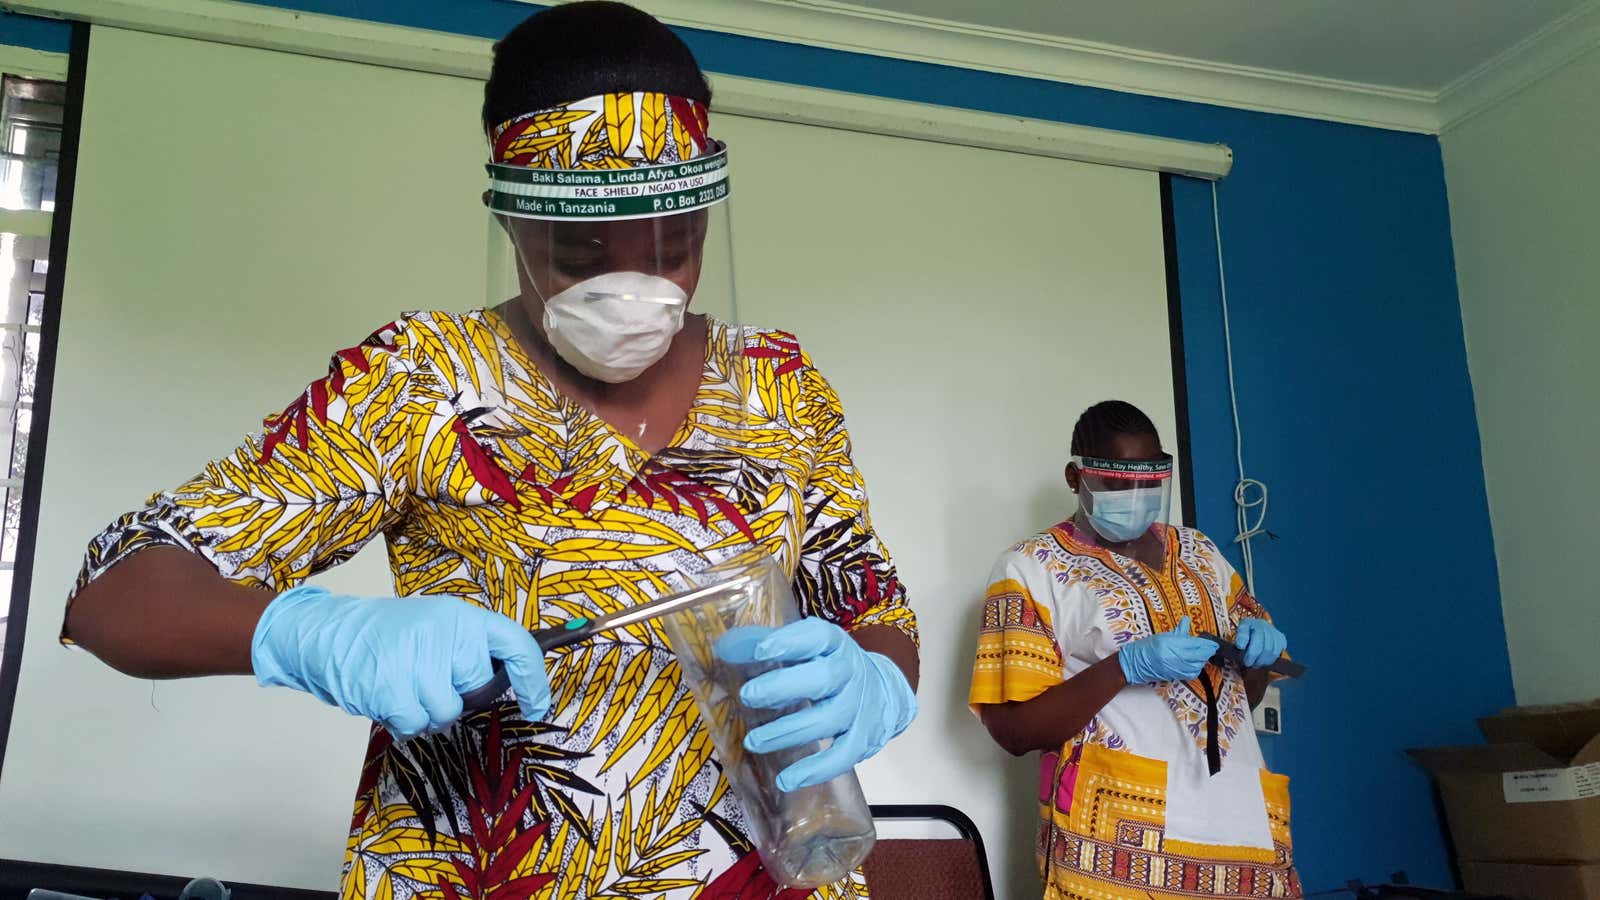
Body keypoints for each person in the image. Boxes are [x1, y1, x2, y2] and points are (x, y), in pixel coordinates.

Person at [61, 4, 919, 898]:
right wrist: (306, 634)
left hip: (771, 873)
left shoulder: (781, 383)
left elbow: (874, 605)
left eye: (675, 244)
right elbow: (113, 598)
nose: (634, 291)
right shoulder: (423, 380)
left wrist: (877, 681)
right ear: (509, 222)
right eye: (581, 251)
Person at [969, 400, 1299, 899]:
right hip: (1116, 850)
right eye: (1117, 482)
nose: (1135, 495)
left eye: (1147, 483)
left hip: (1240, 839)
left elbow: (1235, 702)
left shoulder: (1203, 555)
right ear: (1074, 477)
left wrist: (1255, 656)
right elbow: (1014, 729)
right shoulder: (1030, 568)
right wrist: (1127, 665)